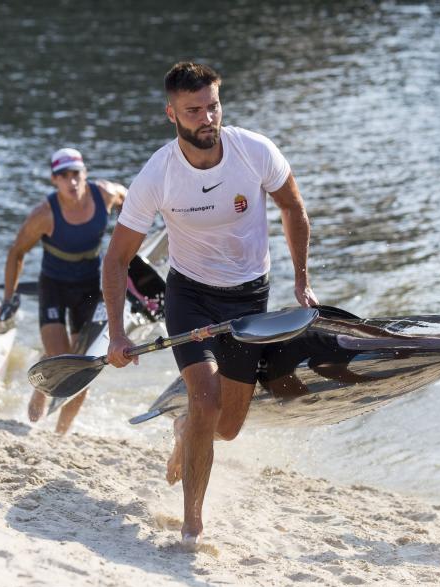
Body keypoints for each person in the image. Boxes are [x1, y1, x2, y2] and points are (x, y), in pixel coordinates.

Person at [102, 62, 318, 546]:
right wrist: (117, 334)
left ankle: (185, 430)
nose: (207, 118)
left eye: (213, 106)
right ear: (171, 115)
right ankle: (192, 524)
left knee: (228, 426)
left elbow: (293, 208)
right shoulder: (158, 174)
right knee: (205, 400)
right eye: (193, 110)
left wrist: (302, 283)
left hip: (249, 298)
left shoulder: (255, 151)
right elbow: (116, 260)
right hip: (191, 296)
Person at [1, 148, 127, 432]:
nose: (71, 182)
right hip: (54, 287)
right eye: (64, 177)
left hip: (89, 287)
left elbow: (129, 201)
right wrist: (8, 299)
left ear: (85, 175)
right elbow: (16, 253)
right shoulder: (44, 215)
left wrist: (126, 235)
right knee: (61, 361)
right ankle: (41, 386)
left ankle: (60, 434)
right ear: (53, 180)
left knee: (84, 369)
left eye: (76, 175)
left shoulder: (105, 194)